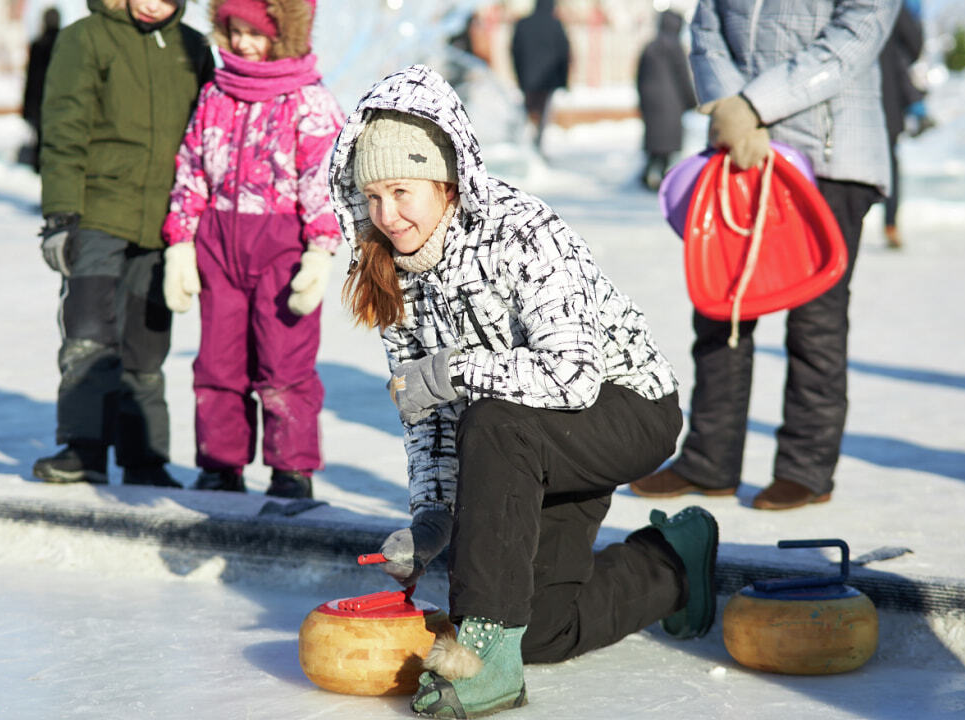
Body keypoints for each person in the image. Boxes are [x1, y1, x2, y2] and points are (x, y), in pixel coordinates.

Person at [330, 64, 718, 718]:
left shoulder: (521, 231)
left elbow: (572, 374)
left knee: (493, 421)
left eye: (401, 191)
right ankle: (674, 563)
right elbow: (426, 417)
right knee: (541, 631)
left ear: (446, 181)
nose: (387, 215)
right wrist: (431, 519)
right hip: (530, 439)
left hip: (624, 408)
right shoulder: (391, 270)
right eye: (372, 197)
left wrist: (455, 370)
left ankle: (481, 656)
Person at [631, 0, 901, 510]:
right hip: (742, 149)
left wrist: (755, 105)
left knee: (815, 323)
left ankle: (806, 469)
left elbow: (859, 32)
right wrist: (732, 108)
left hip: (828, 156)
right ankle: (709, 460)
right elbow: (707, 26)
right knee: (721, 307)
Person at [163, 0, 343, 499]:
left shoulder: (309, 100)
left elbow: (325, 178)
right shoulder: (217, 92)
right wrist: (180, 242)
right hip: (218, 242)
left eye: (254, 32)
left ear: (282, 35)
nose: (241, 42)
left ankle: (291, 470)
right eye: (233, 29)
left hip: (282, 245)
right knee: (217, 362)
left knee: (285, 363)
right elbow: (192, 167)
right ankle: (221, 465)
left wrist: (320, 251)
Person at [32, 0, 214, 488]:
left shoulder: (192, 47)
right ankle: (83, 449)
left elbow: (207, 138)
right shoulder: (85, 39)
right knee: (89, 329)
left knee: (148, 344)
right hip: (97, 212)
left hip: (163, 224)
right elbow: (64, 128)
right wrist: (61, 213)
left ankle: (145, 458)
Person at [880, 1, 925, 249]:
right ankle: (890, 225)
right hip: (888, 94)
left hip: (858, 96)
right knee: (889, 164)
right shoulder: (893, 7)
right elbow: (915, 44)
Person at [636, 9, 697, 191]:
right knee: (667, 144)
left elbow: (638, 76)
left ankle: (649, 175)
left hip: (651, 102)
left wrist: (642, 98)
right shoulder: (674, 47)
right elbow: (682, 78)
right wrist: (691, 101)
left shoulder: (650, 45)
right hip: (671, 103)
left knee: (655, 141)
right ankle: (659, 177)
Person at [509, 0, 571, 151]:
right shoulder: (555, 25)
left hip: (527, 78)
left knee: (529, 113)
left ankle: (528, 146)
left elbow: (515, 51)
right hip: (548, 80)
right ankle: (536, 146)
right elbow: (564, 53)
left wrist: (519, 75)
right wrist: (563, 80)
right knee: (542, 115)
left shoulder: (523, 24)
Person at [19, 5, 60, 173]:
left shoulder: (38, 44)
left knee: (41, 141)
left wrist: (27, 107)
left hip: (39, 102)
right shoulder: (64, 43)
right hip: (58, 101)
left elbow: (31, 78)